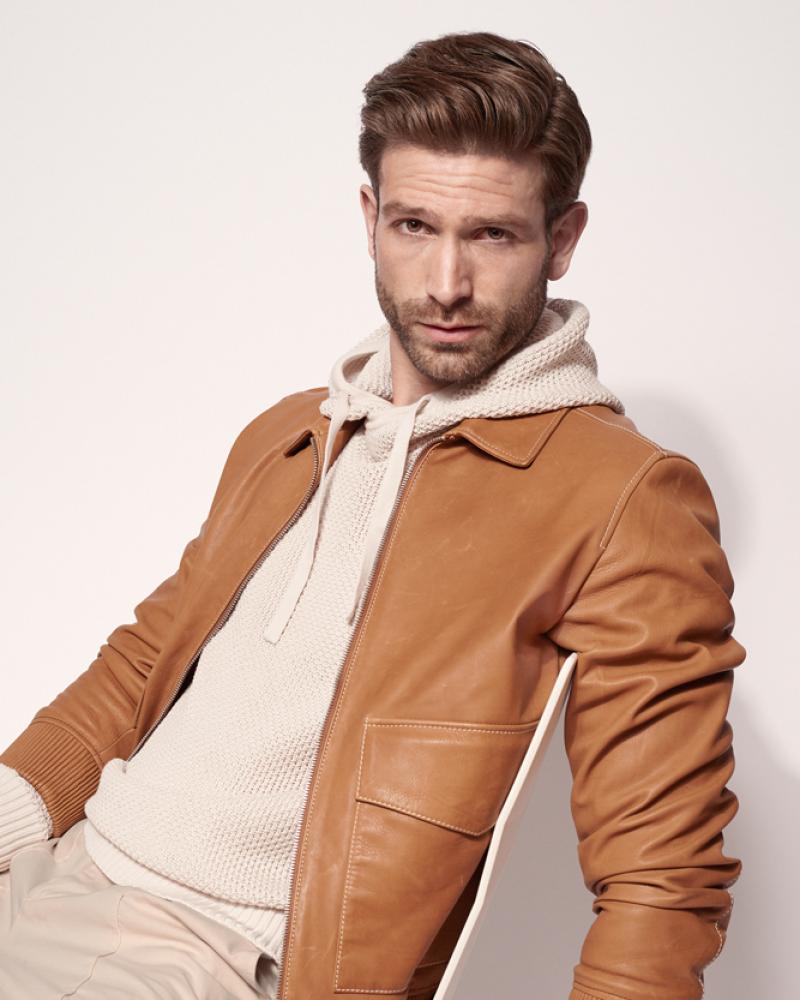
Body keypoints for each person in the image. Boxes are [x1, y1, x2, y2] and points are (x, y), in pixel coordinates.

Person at [0, 29, 744, 1000]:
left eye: (492, 235)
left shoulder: (621, 496)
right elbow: (148, 662)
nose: (445, 284)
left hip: (200, 958)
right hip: (55, 872)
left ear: (561, 239)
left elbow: (661, 877)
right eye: (414, 226)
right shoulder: (291, 432)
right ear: (369, 219)